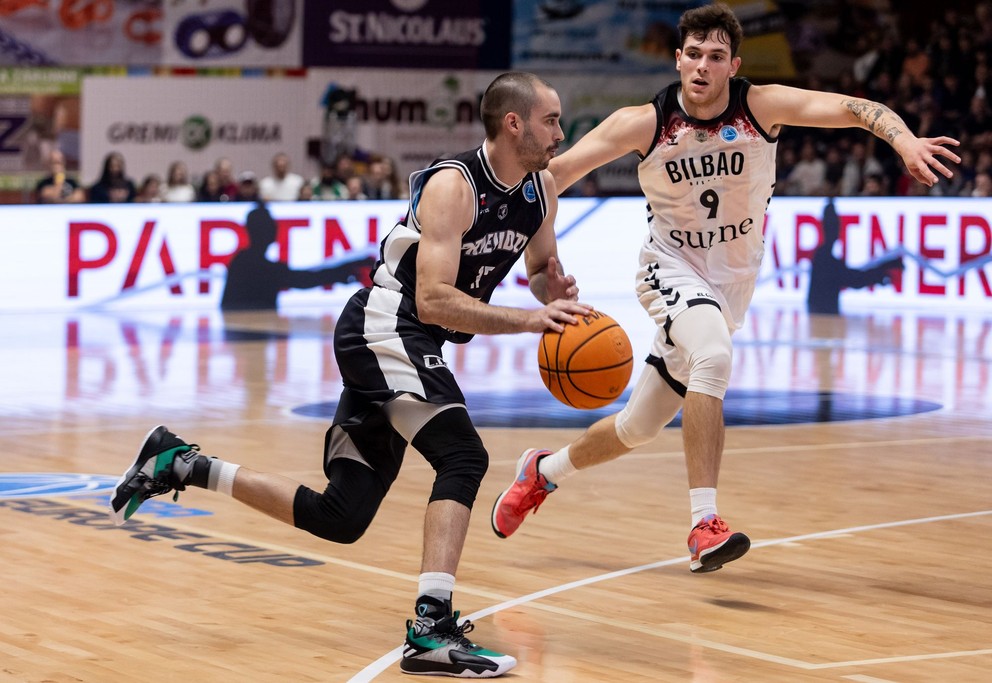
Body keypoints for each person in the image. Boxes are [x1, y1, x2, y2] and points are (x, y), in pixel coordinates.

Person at [108, 72, 588, 678]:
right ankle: (430, 628)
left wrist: (553, 287)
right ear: (514, 122)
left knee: (341, 515)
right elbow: (435, 300)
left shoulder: (540, 190)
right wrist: (528, 319)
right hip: (385, 327)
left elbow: (542, 266)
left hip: (405, 339)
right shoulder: (453, 185)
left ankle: (181, 463)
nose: (561, 132)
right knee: (463, 458)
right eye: (551, 120)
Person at [491, 2, 959, 574]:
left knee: (637, 427)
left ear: (734, 64)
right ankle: (703, 524)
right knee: (714, 355)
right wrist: (545, 262)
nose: (702, 67)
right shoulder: (643, 122)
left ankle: (542, 473)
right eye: (693, 55)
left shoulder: (762, 108)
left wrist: (904, 141)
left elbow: (854, 108)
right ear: (678, 58)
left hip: (733, 284)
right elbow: (546, 181)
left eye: (716, 57)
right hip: (670, 268)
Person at [219, 203, 375, 311]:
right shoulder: (256, 266)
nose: (274, 227)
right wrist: (344, 271)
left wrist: (346, 268)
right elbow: (303, 279)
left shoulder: (243, 260)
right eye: (270, 224)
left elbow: (303, 276)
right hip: (245, 328)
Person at [806, 198, 903, 315]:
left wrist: (883, 270)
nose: (837, 229)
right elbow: (853, 279)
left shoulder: (823, 255)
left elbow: (852, 277)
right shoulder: (824, 258)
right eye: (834, 225)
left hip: (821, 314)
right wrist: (882, 271)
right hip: (822, 315)